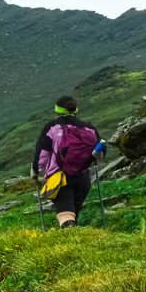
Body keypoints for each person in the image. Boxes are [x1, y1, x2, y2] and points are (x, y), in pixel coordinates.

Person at [32, 97, 100, 228]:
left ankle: (71, 241)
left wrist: (35, 172)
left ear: (57, 111)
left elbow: (42, 155)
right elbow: (99, 151)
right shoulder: (89, 127)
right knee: (74, 211)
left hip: (60, 177)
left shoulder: (52, 127)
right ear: (76, 110)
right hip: (83, 176)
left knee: (65, 215)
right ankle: (78, 241)